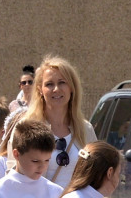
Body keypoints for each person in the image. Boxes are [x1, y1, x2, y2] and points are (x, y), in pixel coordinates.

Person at [19, 56, 96, 189]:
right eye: (49, 84)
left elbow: (96, 172)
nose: (56, 89)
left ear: (71, 87)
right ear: (40, 90)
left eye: (62, 82)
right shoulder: (26, 127)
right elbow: (13, 173)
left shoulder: (85, 129)